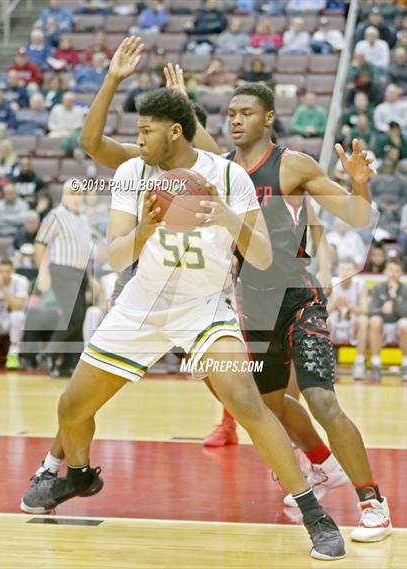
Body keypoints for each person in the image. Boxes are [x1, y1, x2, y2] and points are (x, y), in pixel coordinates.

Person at [20, 38, 345, 561]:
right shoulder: (132, 172)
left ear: (173, 131)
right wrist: (147, 231)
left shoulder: (226, 174)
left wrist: (227, 217)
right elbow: (113, 253)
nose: (138, 138)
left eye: (146, 130)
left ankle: (315, 514)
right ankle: (76, 475)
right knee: (71, 407)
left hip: (202, 310)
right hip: (141, 307)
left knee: (247, 404)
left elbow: (261, 256)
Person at [215, 83, 391, 542]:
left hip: (299, 298)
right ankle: (321, 466)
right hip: (253, 304)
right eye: (230, 113)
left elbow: (357, 217)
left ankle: (373, 502)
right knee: (270, 406)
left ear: (268, 118)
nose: (235, 120)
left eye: (246, 113)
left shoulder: (292, 165)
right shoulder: (223, 170)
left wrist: (358, 183)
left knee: (322, 399)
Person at [34, 179, 94, 378]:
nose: (76, 197)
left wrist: (91, 279)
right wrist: (43, 273)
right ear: (64, 194)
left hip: (80, 274)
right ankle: (48, 353)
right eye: (72, 193)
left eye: (79, 194)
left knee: (80, 319)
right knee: (74, 316)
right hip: (61, 271)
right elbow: (40, 244)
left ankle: (68, 365)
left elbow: (85, 252)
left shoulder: (83, 220)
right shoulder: (55, 215)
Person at [328, 258, 370, 379]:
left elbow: (365, 310)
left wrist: (349, 306)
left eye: (349, 269)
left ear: (355, 271)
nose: (345, 272)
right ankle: (329, 362)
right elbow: (321, 311)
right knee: (324, 321)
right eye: (342, 269)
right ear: (337, 270)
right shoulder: (331, 284)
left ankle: (360, 362)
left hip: (352, 327)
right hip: (334, 326)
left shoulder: (360, 285)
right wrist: (335, 306)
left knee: (363, 320)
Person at [369, 259, 407, 381]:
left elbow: (405, 314)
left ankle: (405, 365)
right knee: (374, 321)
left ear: (401, 273)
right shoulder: (378, 287)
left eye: (397, 271)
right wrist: (382, 310)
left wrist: (395, 297)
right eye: (390, 270)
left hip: (398, 326)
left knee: (405, 324)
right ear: (385, 272)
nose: (393, 273)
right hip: (382, 326)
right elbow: (371, 311)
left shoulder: (405, 289)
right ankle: (375, 364)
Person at [0, 258, 29, 369]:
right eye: (1, 271)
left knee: (17, 315)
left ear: (13, 271)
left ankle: (13, 354)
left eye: (7, 271)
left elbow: (17, 306)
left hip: (12, 318)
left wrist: (2, 289)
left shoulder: (21, 281)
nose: (4, 274)